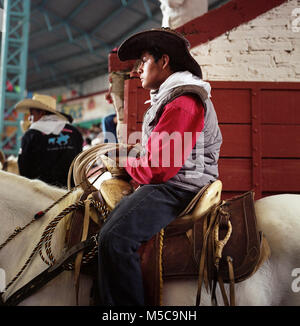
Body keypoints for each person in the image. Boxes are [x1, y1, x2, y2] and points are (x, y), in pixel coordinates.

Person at [97, 28, 222, 305]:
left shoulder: (182, 103)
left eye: (143, 61)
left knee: (113, 238)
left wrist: (127, 166)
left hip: (177, 187)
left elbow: (159, 169)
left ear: (163, 61)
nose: (138, 69)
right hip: (176, 181)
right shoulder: (173, 97)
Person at [15, 94, 83, 188]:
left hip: (41, 193)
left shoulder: (31, 135)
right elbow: (79, 163)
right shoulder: (74, 132)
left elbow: (23, 170)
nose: (29, 118)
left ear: (41, 113)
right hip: (71, 192)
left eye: (31, 113)